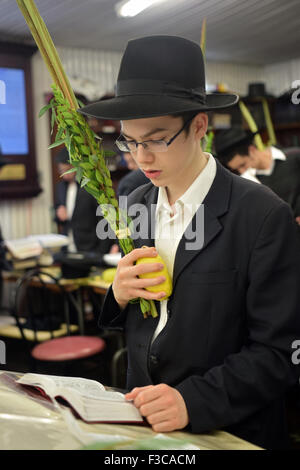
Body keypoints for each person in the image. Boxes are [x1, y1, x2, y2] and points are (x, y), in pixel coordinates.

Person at [78, 35, 300, 450]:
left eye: (157, 139)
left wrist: (193, 400)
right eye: (130, 141)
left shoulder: (262, 215)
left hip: (228, 430)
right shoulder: (137, 203)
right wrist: (119, 293)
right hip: (145, 423)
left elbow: (282, 352)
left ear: (199, 125)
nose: (141, 158)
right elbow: (149, 321)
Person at [215, 128, 300, 225]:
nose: (242, 171)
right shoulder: (249, 182)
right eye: (237, 169)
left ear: (252, 150)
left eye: (243, 165)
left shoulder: (295, 156)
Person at [54, 147, 114, 255]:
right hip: (68, 246)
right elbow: (59, 217)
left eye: (67, 170)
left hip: (90, 247)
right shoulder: (61, 187)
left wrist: (102, 251)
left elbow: (104, 220)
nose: (65, 174)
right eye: (61, 170)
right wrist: (59, 214)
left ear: (77, 167)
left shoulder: (91, 187)